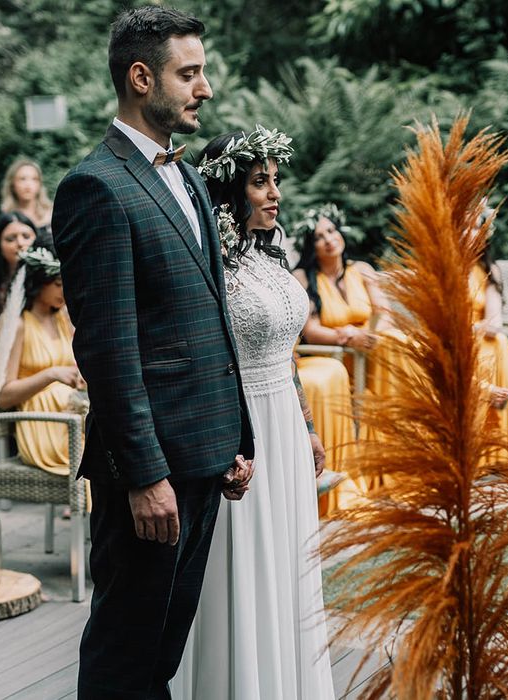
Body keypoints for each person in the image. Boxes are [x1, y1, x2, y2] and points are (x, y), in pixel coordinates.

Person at [51, 7, 254, 698]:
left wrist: (234, 436)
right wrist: (144, 476)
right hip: (151, 476)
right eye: (189, 74)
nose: (205, 89)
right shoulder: (95, 187)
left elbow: (205, 320)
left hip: (204, 459)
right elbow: (108, 349)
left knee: (159, 656)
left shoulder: (191, 178)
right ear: (142, 78)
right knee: (123, 657)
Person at [172, 128, 335, 700]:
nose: (275, 193)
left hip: (284, 427)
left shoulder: (271, 253)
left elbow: (285, 351)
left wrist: (308, 427)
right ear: (230, 188)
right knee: (240, 567)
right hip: (237, 430)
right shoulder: (209, 262)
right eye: (260, 181)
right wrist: (224, 444)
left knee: (287, 565)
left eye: (276, 180)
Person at [293, 204, 414, 512]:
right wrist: (347, 336)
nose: (329, 240)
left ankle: (404, 447)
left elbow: (384, 314)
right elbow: (311, 329)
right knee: (396, 344)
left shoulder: (362, 270)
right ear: (311, 246)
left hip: (371, 355)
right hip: (334, 355)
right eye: (319, 237)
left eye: (331, 231)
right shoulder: (305, 278)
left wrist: (372, 336)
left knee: (397, 340)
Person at [0, 246, 83, 472]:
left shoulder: (63, 319)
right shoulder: (17, 325)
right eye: (58, 284)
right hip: (43, 423)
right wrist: (51, 374)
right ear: (38, 281)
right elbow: (4, 397)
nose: (65, 290)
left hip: (72, 414)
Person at [468, 202, 508, 441]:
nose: (472, 233)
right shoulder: (442, 269)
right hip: (451, 341)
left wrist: (475, 328)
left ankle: (505, 437)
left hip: (482, 338)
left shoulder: (488, 269)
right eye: (466, 227)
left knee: (500, 342)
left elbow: (494, 324)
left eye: (477, 227)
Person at [1, 158, 53, 237]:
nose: (28, 185)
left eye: (34, 179)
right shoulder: (4, 216)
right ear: (12, 184)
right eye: (22, 179)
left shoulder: (52, 213)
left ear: (40, 184)